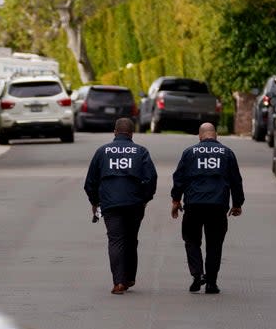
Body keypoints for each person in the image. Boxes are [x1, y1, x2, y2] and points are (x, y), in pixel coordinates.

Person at [84, 117, 157, 295]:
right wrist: (145, 199)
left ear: (115, 132)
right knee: (131, 239)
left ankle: (118, 282)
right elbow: (151, 178)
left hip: (110, 203)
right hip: (134, 203)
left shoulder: (102, 152)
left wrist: (95, 202)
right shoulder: (141, 152)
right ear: (132, 133)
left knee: (116, 240)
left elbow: (90, 182)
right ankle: (129, 277)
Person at [169, 123, 244, 294]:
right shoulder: (227, 153)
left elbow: (179, 179)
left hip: (193, 205)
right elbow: (236, 181)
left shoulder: (189, 153)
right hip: (218, 206)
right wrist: (238, 203)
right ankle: (211, 283)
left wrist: (176, 200)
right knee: (214, 244)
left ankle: (197, 274)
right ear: (216, 135)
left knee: (191, 240)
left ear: (199, 136)